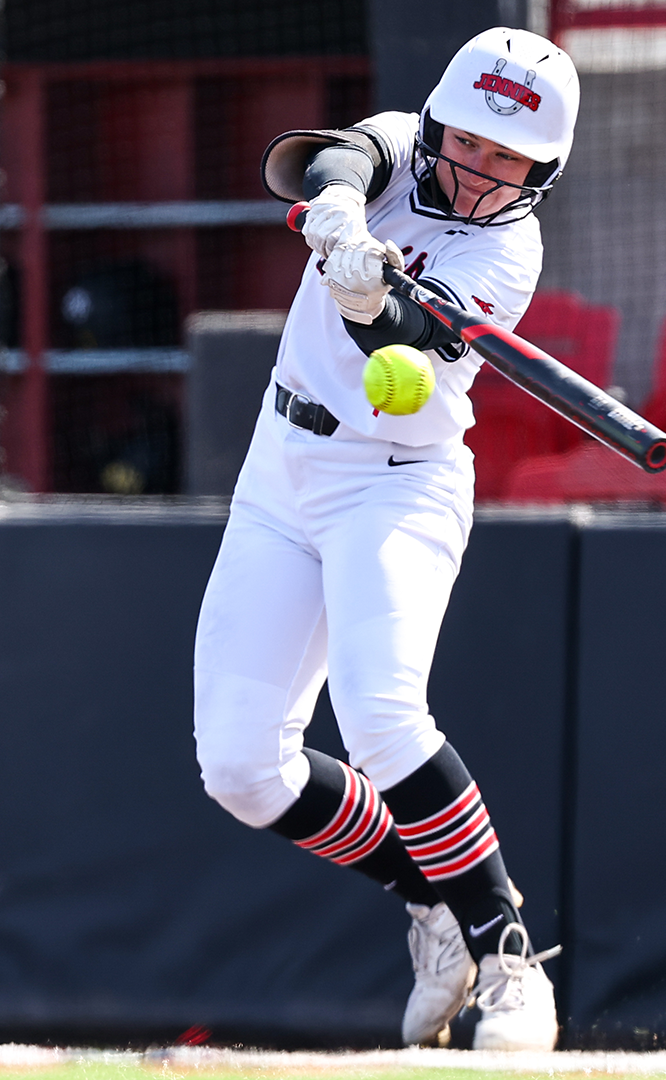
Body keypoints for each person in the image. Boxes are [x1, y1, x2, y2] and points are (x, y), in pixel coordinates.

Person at [193, 28, 577, 1051]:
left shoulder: (508, 253)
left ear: (541, 172)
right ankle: (432, 902)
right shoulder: (403, 140)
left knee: (380, 716)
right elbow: (341, 155)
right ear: (440, 124)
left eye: (508, 160)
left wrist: (374, 294)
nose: (479, 170)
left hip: (394, 482)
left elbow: (399, 346)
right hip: (280, 464)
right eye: (469, 143)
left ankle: (508, 956)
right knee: (240, 767)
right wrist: (338, 212)